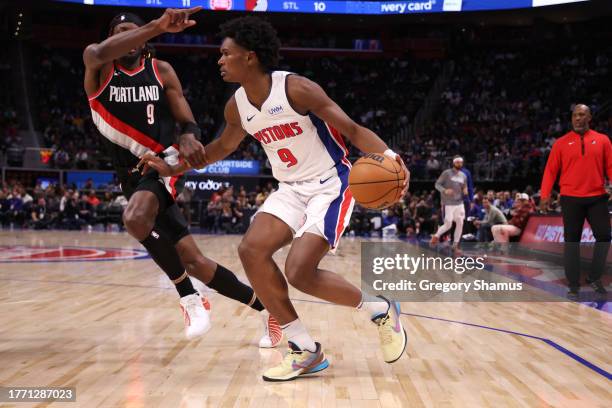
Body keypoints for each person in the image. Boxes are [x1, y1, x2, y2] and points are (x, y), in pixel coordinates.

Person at [141, 16, 409, 382]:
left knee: (300, 271)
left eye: (226, 54)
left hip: (331, 184)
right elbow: (220, 148)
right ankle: (305, 350)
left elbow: (352, 129)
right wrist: (171, 168)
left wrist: (392, 159)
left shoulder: (296, 89)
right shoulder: (237, 106)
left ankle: (380, 309)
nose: (219, 60)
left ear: (249, 57)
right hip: (290, 189)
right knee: (251, 250)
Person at [83, 8, 281, 347]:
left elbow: (187, 121)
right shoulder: (98, 65)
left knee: (134, 218)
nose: (125, 36)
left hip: (163, 166)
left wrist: (190, 135)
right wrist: (154, 27)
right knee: (194, 261)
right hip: (128, 175)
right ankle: (270, 311)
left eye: (131, 30)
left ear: (144, 42)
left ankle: (189, 298)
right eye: (119, 32)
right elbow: (100, 51)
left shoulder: (161, 70)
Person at [540, 104, 611, 300]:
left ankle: (594, 277)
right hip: (570, 198)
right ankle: (573, 284)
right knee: (572, 241)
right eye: (574, 116)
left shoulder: (603, 140)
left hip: (597, 196)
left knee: (604, 237)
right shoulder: (561, 143)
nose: (578, 119)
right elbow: (550, 171)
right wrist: (545, 195)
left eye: (582, 115)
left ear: (590, 118)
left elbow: (611, 166)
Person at [430, 156, 467, 248]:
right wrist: (444, 190)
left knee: (460, 222)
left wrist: (465, 189)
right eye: (457, 162)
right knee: (448, 224)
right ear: (454, 163)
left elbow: (464, 186)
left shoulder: (463, 175)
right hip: (448, 203)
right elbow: (437, 184)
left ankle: (455, 244)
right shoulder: (446, 173)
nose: (459, 164)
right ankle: (436, 235)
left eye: (460, 162)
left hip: (459, 203)